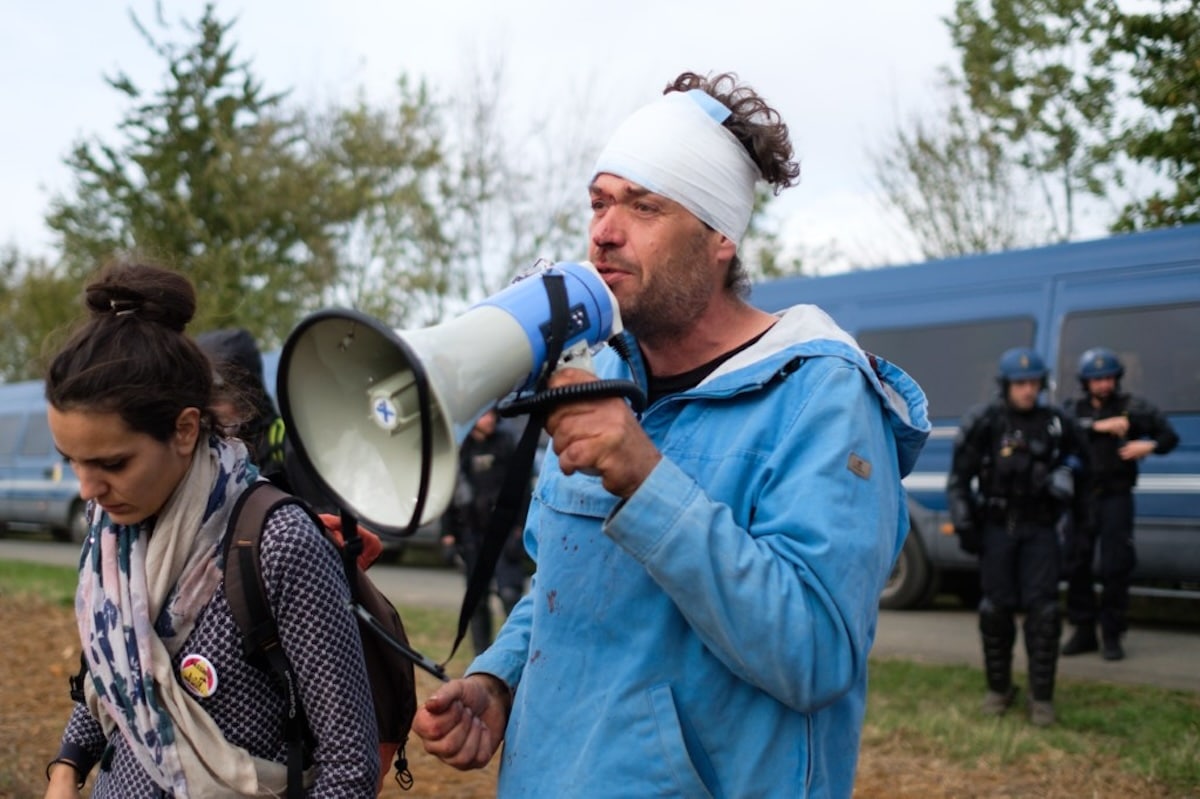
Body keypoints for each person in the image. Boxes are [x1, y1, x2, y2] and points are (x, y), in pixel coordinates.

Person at [411, 70, 931, 797]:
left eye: (643, 205)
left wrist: (646, 478)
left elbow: (814, 654)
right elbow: (560, 583)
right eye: (598, 202)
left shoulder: (820, 395)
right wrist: (500, 678)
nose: (603, 230)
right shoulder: (599, 376)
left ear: (720, 235)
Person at [43, 259, 379, 797]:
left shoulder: (278, 543)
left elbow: (349, 767)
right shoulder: (109, 533)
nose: (88, 489)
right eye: (73, 461)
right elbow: (118, 668)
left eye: (112, 464)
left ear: (184, 430)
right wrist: (66, 766)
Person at [947, 347, 1088, 727]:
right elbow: (959, 480)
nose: (1028, 390)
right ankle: (999, 688)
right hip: (997, 529)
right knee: (995, 610)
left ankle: (1041, 698)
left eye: (1033, 383)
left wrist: (1067, 476)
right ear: (1006, 385)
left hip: (1041, 528)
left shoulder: (1057, 422)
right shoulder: (986, 422)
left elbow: (1082, 462)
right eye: (1020, 383)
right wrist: (964, 525)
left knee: (1043, 613)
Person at [1060, 347, 1180, 661]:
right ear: (1085, 382)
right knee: (1076, 564)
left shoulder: (1133, 408)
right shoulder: (1073, 409)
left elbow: (1169, 437)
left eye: (1108, 378)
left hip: (1115, 497)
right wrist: (1097, 426)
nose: (1103, 385)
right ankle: (1083, 630)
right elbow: (1060, 432)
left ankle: (1112, 634)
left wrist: (1148, 446)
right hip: (1081, 499)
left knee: (1116, 566)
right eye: (1096, 379)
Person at [440, 408, 522, 655]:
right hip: (472, 536)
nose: (490, 420)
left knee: (510, 595)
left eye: (492, 416)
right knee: (477, 601)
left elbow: (521, 488)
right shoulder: (460, 449)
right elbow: (447, 495)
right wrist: (448, 535)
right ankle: (483, 658)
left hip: (503, 532)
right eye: (485, 415)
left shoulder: (505, 443)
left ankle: (515, 653)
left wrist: (519, 529)